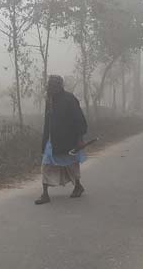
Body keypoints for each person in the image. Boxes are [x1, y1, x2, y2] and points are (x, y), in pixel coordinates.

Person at [35, 75, 88, 205]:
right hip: (52, 140)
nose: (50, 87)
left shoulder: (70, 99)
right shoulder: (50, 100)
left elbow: (79, 120)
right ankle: (45, 194)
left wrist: (80, 139)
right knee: (46, 165)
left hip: (68, 140)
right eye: (49, 85)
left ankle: (78, 186)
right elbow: (47, 122)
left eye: (53, 85)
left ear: (60, 86)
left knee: (71, 164)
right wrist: (44, 141)